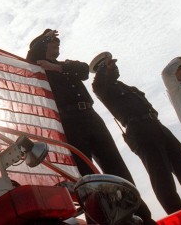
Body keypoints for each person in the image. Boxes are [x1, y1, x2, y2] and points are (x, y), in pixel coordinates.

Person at [26, 29, 155, 225]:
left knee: (117, 167)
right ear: (43, 45)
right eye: (53, 43)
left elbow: (85, 70)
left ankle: (143, 218)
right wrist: (44, 38)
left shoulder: (67, 65)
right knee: (88, 178)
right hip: (68, 120)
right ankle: (98, 221)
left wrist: (58, 68)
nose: (57, 45)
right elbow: (32, 55)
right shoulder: (38, 66)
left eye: (57, 42)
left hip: (91, 116)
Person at [91, 52, 181, 215]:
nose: (115, 67)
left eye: (114, 64)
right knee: (161, 177)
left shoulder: (129, 88)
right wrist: (102, 69)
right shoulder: (103, 88)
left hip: (157, 126)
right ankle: (179, 215)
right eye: (110, 65)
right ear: (102, 69)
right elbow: (98, 83)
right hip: (139, 131)